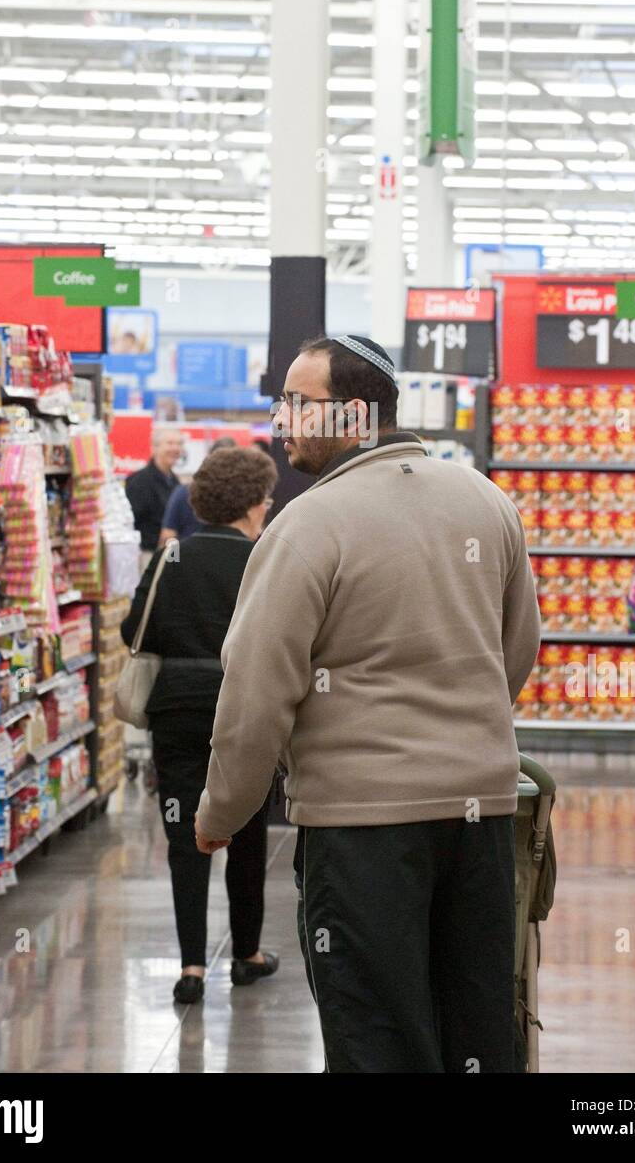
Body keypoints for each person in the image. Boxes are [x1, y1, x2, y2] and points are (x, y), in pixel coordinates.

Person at [194, 334, 541, 1073]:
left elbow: (255, 693)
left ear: (352, 414)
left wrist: (222, 812)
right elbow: (513, 653)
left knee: (377, 1035)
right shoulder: (486, 502)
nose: (281, 418)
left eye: (298, 402)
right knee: (478, 1028)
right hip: (480, 820)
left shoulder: (306, 525)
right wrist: (463, 735)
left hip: (362, 831)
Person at [121, 445, 280, 1006]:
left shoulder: (171, 557)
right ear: (254, 503)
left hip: (177, 709)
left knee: (183, 835)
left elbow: (133, 630)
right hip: (244, 711)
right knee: (248, 833)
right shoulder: (264, 561)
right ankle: (246, 955)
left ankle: (190, 967)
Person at [160, 436, 237, 547]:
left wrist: (174, 557)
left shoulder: (183, 492)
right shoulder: (240, 497)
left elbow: (168, 536)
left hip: (187, 554)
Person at [124, 428, 185, 563]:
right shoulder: (139, 481)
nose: (175, 448)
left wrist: (174, 558)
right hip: (147, 555)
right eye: (170, 443)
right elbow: (129, 523)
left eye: (179, 444)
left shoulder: (175, 482)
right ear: (155, 448)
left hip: (169, 556)